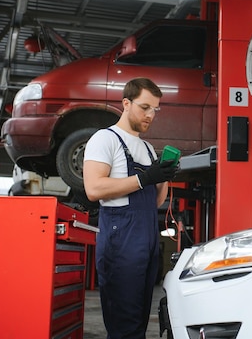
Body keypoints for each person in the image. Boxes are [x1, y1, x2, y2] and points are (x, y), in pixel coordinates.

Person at [83, 77, 178, 339]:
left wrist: (163, 177)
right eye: (145, 107)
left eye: (155, 110)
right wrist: (144, 178)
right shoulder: (105, 139)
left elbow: (155, 202)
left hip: (146, 238)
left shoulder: (147, 148)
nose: (150, 115)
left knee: (138, 319)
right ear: (126, 103)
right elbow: (94, 189)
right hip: (121, 239)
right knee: (124, 323)